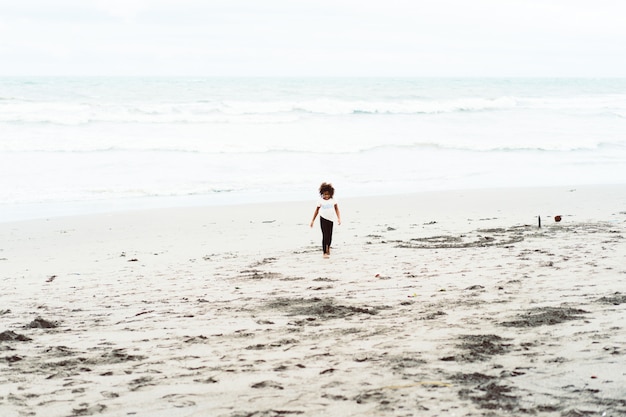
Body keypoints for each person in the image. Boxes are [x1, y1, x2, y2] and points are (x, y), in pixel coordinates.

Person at [310, 182, 341, 258]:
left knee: (330, 236)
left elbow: (337, 209)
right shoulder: (320, 201)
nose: (326, 196)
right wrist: (312, 221)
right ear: (322, 193)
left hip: (331, 219)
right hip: (323, 219)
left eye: (328, 194)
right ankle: (324, 252)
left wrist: (339, 218)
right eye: (325, 194)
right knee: (325, 235)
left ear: (331, 194)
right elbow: (316, 211)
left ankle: (328, 248)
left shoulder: (333, 200)